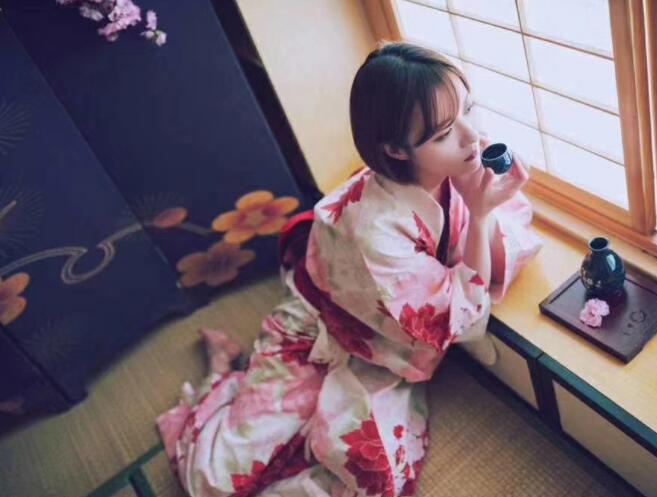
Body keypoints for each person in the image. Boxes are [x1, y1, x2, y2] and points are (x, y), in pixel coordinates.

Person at [156, 41, 542, 497]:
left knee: (372, 476)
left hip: (382, 346)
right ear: (395, 150)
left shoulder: (459, 162)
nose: (472, 136)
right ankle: (220, 378)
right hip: (318, 331)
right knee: (213, 483)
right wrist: (479, 217)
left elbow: (493, 256)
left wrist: (482, 213)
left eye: (469, 109)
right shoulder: (374, 229)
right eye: (443, 133)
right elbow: (456, 318)